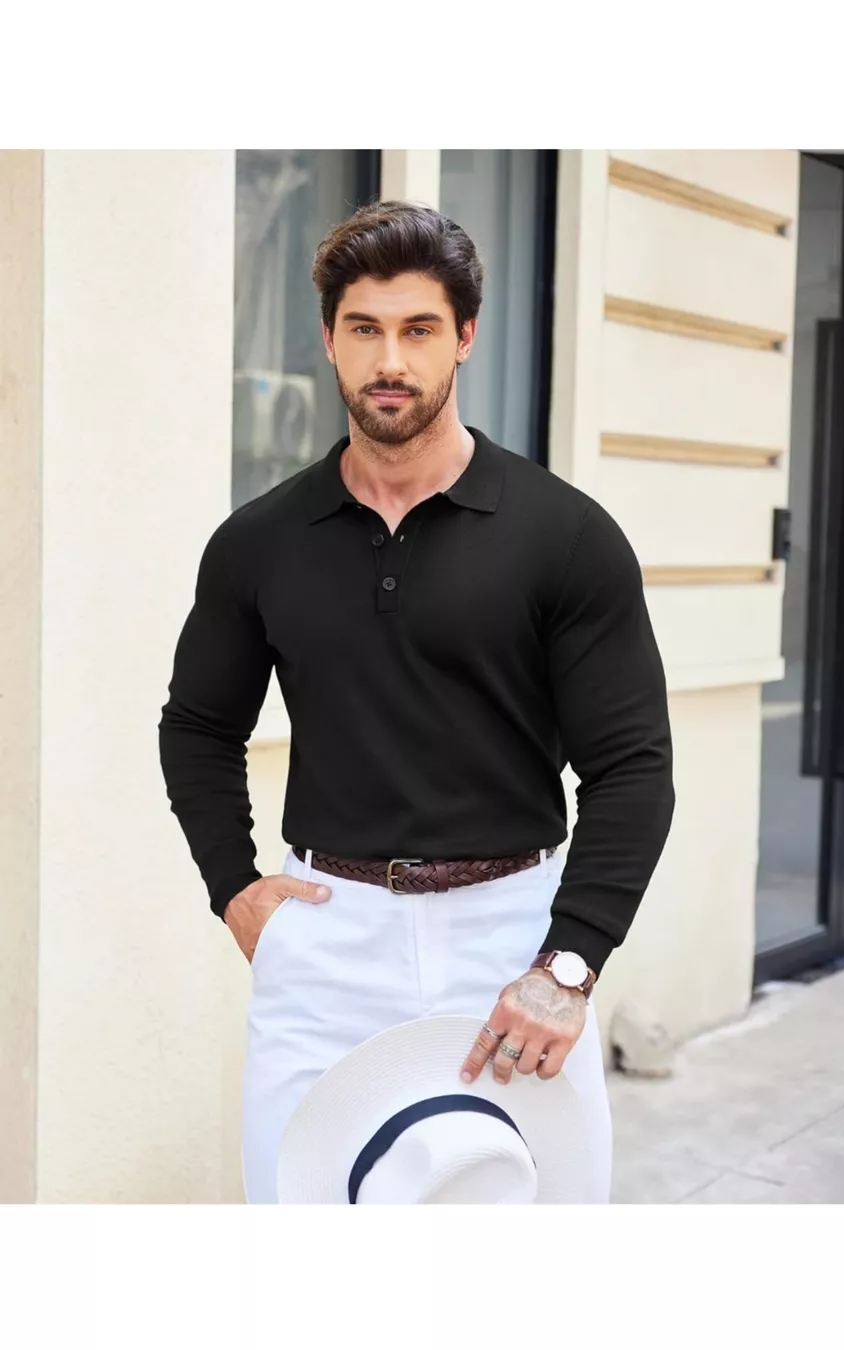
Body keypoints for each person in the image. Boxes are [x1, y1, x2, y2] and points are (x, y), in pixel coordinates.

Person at [158, 200, 675, 1204]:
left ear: (465, 336)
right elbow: (198, 726)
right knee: (306, 1223)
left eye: (419, 329)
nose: (389, 359)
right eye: (365, 328)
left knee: (528, 1236)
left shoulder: (565, 536)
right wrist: (234, 886)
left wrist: (570, 962)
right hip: (326, 941)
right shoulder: (260, 542)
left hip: (514, 937)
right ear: (329, 339)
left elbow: (631, 768)